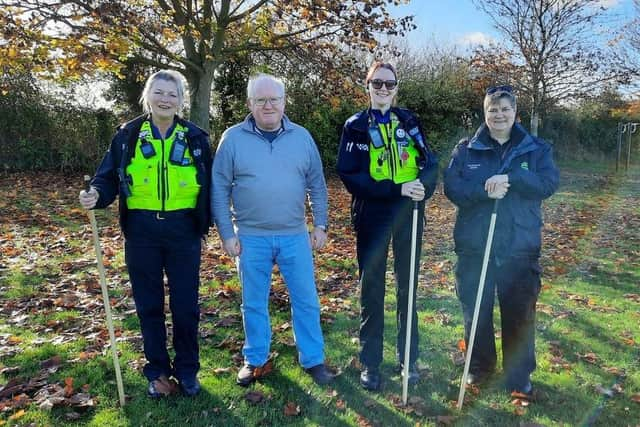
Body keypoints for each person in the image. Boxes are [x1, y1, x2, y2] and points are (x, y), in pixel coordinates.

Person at [79, 70, 212, 398]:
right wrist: (95, 194)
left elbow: (211, 184)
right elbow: (107, 177)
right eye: (160, 92)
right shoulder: (128, 135)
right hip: (142, 233)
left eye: (173, 93)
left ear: (182, 99)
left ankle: (187, 371)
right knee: (149, 306)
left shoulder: (196, 138)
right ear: (147, 96)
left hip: (183, 233)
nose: (166, 99)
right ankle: (157, 372)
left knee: (186, 307)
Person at [211, 73, 333, 387]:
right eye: (261, 100)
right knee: (253, 301)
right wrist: (227, 234)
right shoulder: (233, 138)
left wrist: (320, 224)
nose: (268, 105)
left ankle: (313, 359)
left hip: (295, 235)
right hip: (250, 237)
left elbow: (317, 185)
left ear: (284, 102)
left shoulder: (302, 137)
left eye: (274, 99)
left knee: (306, 299)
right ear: (250, 103)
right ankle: (255, 359)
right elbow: (219, 188)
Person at [443, 85, 559, 398]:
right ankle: (479, 368)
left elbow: (549, 183)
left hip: (519, 245)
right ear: (485, 113)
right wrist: (485, 190)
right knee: (475, 310)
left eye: (505, 109)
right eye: (493, 110)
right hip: (475, 246)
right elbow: (453, 188)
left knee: (519, 312)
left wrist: (514, 179)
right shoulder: (467, 149)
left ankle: (518, 375)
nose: (499, 115)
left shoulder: (536, 149)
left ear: (515, 113)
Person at [336, 61, 438, 391]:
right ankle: (370, 363)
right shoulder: (355, 126)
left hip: (409, 213)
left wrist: (424, 187)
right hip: (373, 214)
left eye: (389, 84)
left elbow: (430, 163)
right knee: (372, 288)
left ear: (396, 88)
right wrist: (396, 189)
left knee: (408, 287)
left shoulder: (409, 121)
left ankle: (409, 361)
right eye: (377, 83)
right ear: (367, 86)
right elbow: (350, 176)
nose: (383, 89)